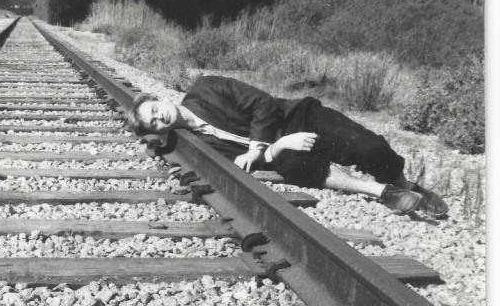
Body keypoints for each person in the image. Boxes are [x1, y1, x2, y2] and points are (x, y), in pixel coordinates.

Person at [126, 76, 447, 217]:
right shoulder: (196, 143)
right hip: (283, 144)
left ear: (158, 99)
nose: (159, 118)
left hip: (298, 116)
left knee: (370, 149)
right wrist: (276, 147)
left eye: (155, 110)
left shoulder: (205, 88)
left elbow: (262, 103)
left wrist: (257, 146)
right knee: (294, 166)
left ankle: (405, 184)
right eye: (153, 123)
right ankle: (383, 193)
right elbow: (248, 163)